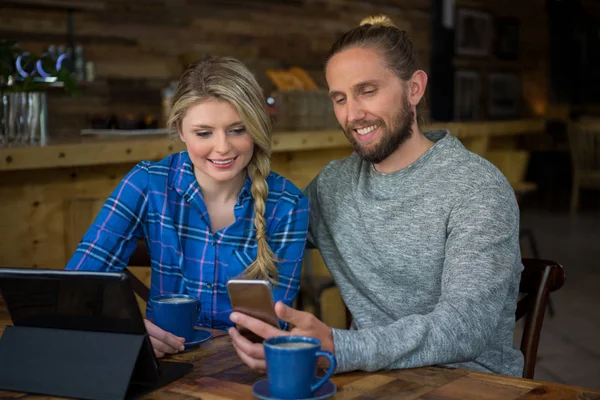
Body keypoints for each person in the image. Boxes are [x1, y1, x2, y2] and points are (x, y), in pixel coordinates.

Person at [228, 15, 524, 377]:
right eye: (339, 99)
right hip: (368, 379)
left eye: (367, 91)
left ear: (414, 88)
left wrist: (342, 346)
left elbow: (466, 328)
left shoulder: (476, 188)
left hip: (469, 383)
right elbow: (257, 233)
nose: (352, 114)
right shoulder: (334, 184)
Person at [65, 55, 309, 358]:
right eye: (203, 133)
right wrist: (123, 329)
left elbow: (276, 327)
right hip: (162, 360)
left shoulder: (288, 204)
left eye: (237, 129)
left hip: (244, 368)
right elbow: (77, 288)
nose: (222, 147)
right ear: (180, 131)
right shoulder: (147, 183)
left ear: (257, 127)